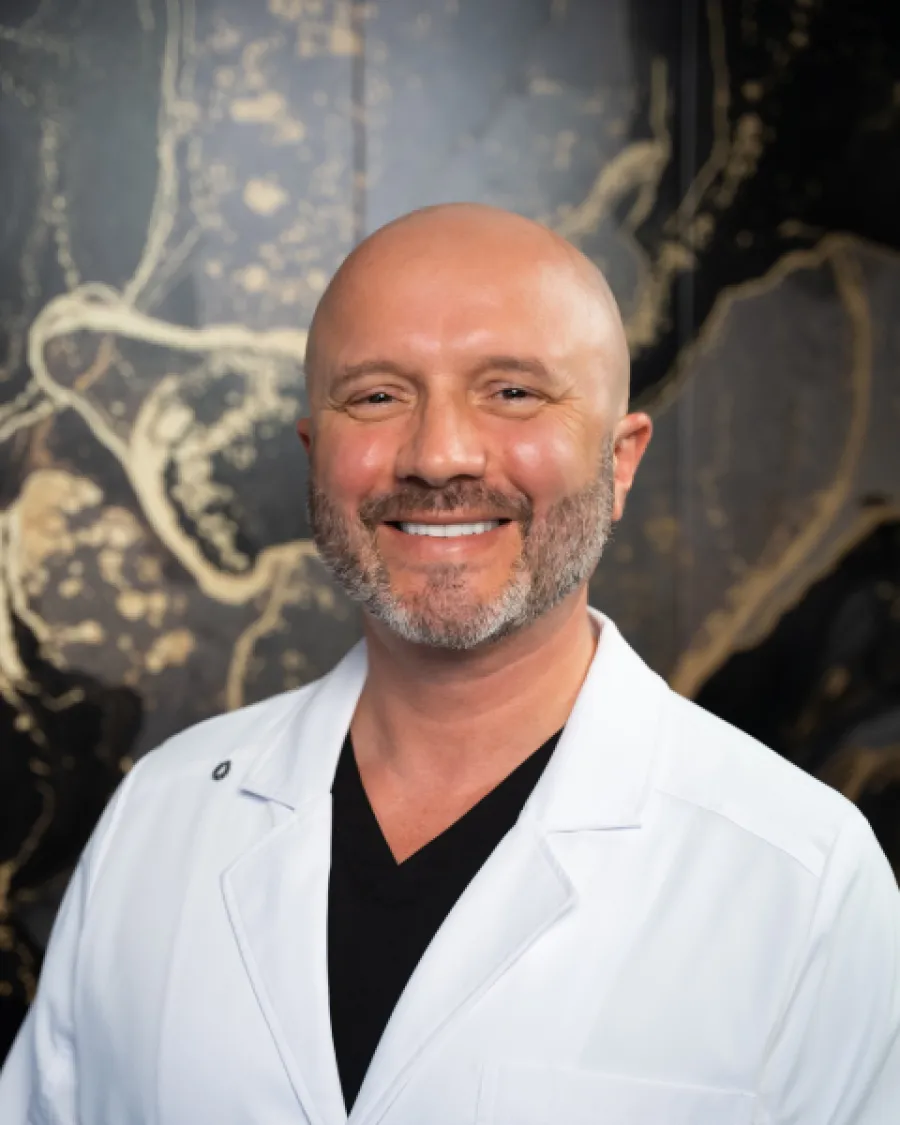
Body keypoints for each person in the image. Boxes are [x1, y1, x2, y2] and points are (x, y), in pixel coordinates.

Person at [1, 204, 897, 1125]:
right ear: (317, 456)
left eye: (512, 392)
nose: (438, 456)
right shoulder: (157, 821)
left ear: (620, 461)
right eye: (378, 395)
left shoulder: (804, 879)